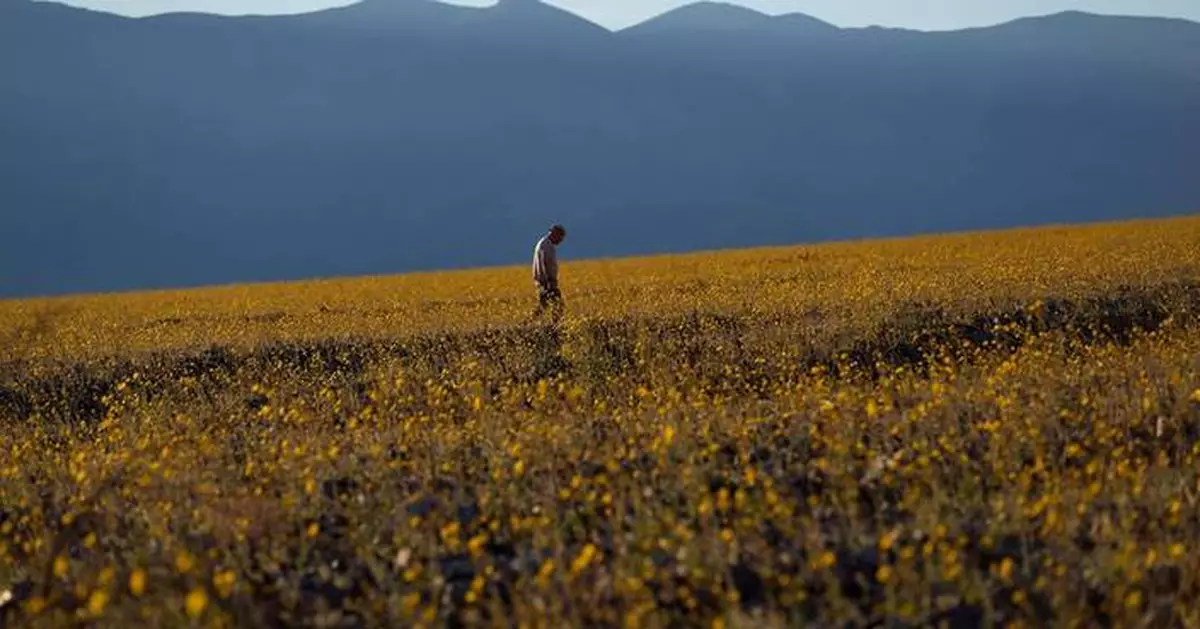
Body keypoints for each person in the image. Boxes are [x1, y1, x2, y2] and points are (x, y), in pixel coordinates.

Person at [532, 224, 566, 321]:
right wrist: (549, 282)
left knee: (543, 305)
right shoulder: (545, 245)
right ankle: (556, 324)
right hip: (546, 282)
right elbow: (543, 264)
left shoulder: (545, 244)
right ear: (555, 234)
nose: (561, 241)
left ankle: (529, 323)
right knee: (558, 304)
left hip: (544, 281)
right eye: (560, 238)